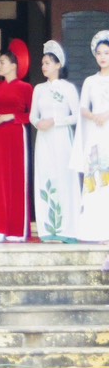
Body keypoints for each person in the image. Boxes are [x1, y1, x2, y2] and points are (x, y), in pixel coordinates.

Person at [0, 39, 33, 243]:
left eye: (2, 62)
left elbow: (32, 115)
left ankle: (15, 230)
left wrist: (11, 117)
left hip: (16, 135)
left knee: (16, 178)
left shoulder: (26, 88)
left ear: (14, 65)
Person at [30, 40, 80, 242]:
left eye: (48, 62)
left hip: (61, 139)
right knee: (46, 178)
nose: (44, 66)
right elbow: (33, 116)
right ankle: (48, 229)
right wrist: (39, 123)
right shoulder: (39, 89)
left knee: (64, 179)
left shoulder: (68, 89)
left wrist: (55, 121)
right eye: (42, 63)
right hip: (44, 140)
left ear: (59, 65)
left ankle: (68, 230)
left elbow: (76, 116)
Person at [72, 30, 109, 242]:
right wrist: (94, 116)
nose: (103, 56)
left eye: (106, 52)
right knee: (96, 179)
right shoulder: (90, 81)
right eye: (99, 53)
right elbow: (83, 107)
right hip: (96, 132)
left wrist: (105, 114)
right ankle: (94, 229)